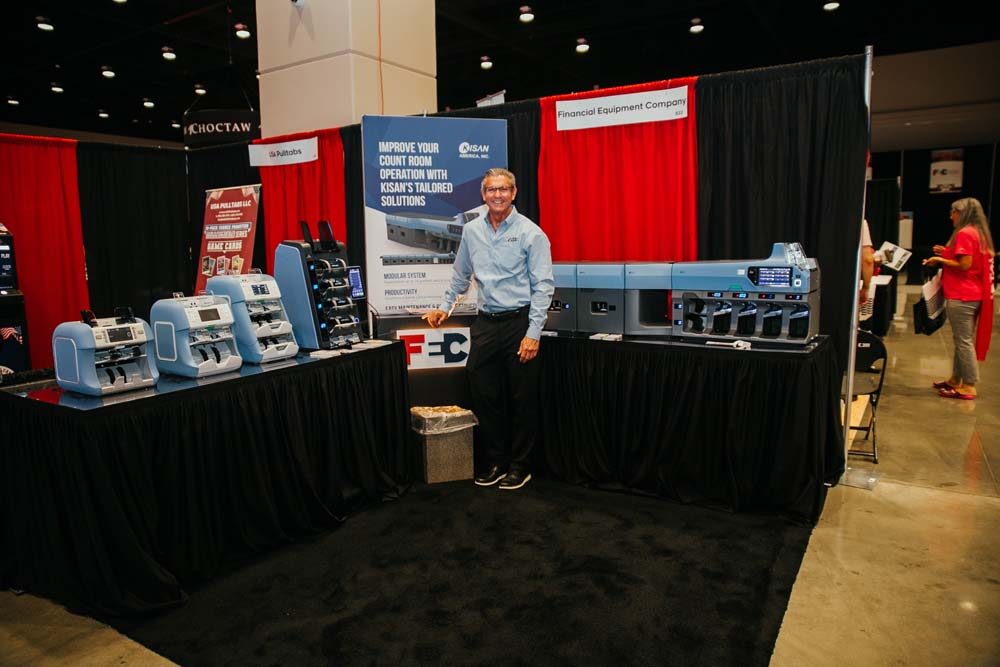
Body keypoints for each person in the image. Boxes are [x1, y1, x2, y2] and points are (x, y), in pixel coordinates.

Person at [422, 168, 554, 490]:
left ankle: (520, 466)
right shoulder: (472, 231)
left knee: (522, 398)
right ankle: (496, 460)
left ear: (514, 193)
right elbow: (460, 276)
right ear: (483, 195)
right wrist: (444, 308)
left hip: (519, 324)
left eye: (503, 189)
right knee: (484, 394)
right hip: (486, 324)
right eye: (491, 190)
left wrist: (533, 333)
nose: (497, 195)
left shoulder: (531, 233)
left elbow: (543, 287)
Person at [923, 197, 995, 400]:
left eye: (953, 212)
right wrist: (947, 253)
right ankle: (956, 379)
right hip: (973, 294)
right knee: (962, 339)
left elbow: (965, 265)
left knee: (963, 341)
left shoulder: (964, 233)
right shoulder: (978, 233)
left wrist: (939, 259)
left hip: (962, 295)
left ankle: (969, 384)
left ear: (961, 213)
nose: (950, 216)